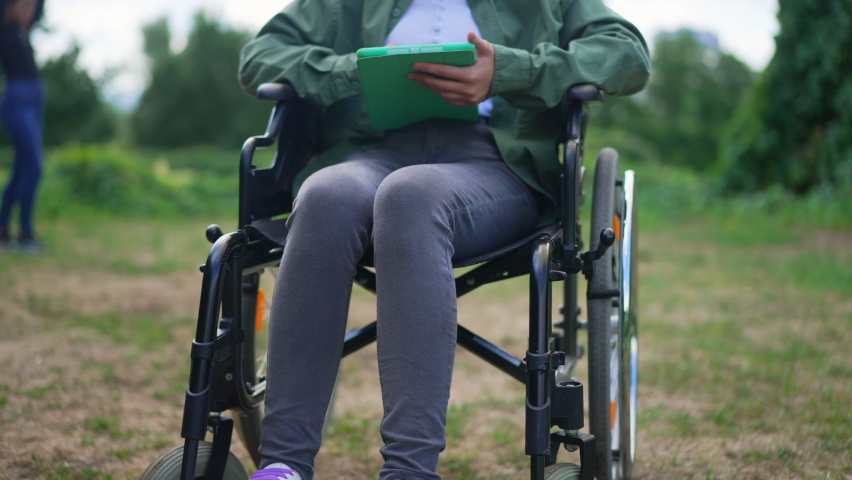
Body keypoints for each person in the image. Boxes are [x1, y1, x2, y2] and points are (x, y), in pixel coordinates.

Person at [238, 1, 649, 479]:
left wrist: (510, 71)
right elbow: (260, 57)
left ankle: (410, 470)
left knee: (410, 195)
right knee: (324, 195)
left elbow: (627, 54)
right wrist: (354, 71)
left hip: (495, 163)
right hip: (374, 152)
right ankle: (283, 464)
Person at [0, 0, 45, 253]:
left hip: (34, 99)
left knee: (20, 170)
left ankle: (3, 230)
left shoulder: (23, 31)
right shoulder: (4, 29)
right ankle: (26, 233)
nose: (29, 12)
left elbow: (39, 8)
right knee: (34, 166)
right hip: (17, 100)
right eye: (24, 7)